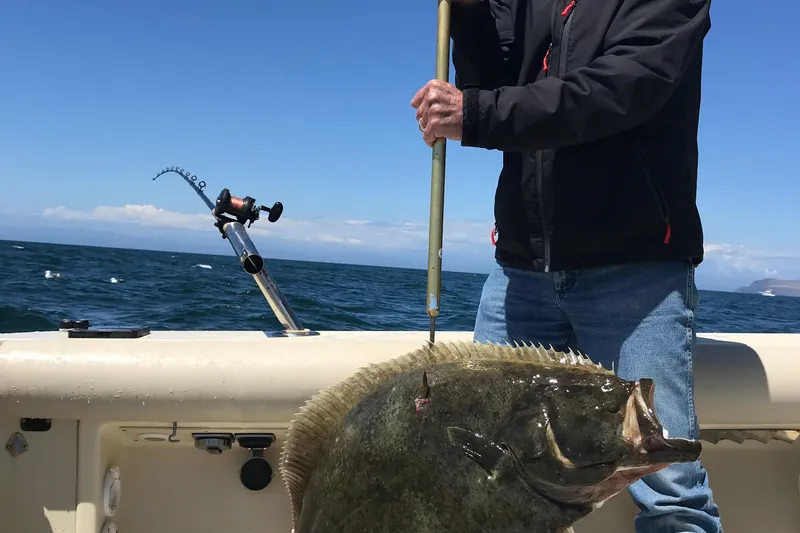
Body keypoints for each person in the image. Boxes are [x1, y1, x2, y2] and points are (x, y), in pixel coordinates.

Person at [411, 0, 721, 532]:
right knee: (486, 467)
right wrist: (468, 15)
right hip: (521, 271)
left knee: (668, 489)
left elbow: (620, 89)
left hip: (635, 277)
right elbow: (493, 81)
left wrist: (478, 114)